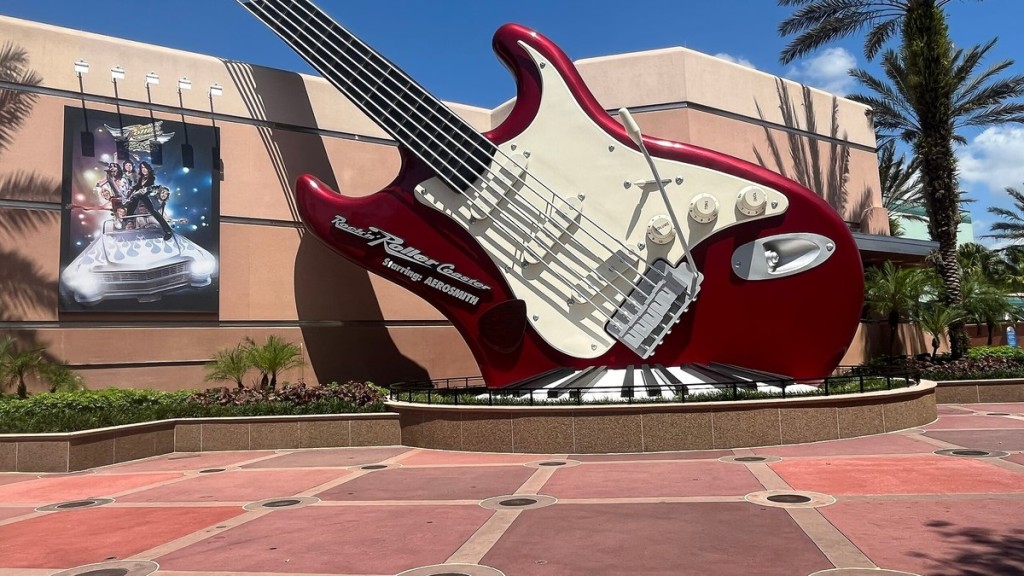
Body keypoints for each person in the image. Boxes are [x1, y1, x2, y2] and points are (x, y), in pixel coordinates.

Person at [123, 161, 174, 240]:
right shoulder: (141, 178)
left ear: (148, 169)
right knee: (132, 202)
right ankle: (127, 220)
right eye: (142, 168)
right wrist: (131, 194)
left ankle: (168, 231)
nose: (143, 169)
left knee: (154, 212)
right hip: (140, 196)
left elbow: (149, 188)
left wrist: (143, 191)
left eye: (145, 167)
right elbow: (137, 187)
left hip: (148, 197)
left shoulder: (151, 178)